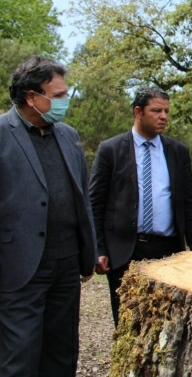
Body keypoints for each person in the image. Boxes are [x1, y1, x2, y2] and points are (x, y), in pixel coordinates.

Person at [0, 56, 97, 376]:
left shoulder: (68, 135)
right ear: (31, 97)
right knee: (20, 357)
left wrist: (87, 253)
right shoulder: (2, 133)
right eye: (57, 96)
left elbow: (82, 195)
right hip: (19, 267)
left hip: (66, 265)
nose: (64, 101)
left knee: (61, 354)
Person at [90, 87, 192, 327]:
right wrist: (98, 248)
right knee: (127, 323)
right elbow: (95, 203)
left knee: (166, 323)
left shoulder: (177, 152)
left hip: (168, 251)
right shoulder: (111, 150)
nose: (164, 116)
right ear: (138, 112)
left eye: (166, 111)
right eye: (156, 111)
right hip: (125, 251)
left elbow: (190, 204)